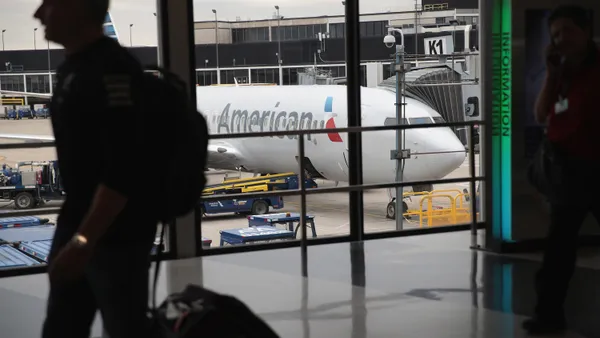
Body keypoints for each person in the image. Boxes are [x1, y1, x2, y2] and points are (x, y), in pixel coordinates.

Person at [34, 0, 158, 337]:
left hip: (112, 232)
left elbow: (123, 170)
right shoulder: (73, 68)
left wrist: (83, 241)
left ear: (76, 10)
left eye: (49, 4)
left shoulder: (113, 71)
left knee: (122, 327)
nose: (38, 13)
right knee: (62, 324)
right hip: (79, 222)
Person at [524, 5, 600, 335]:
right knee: (557, 252)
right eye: (555, 34)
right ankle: (548, 315)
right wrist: (552, 73)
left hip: (597, 169)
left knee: (559, 248)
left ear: (586, 32)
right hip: (568, 174)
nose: (560, 39)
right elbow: (541, 114)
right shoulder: (561, 72)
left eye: (567, 30)